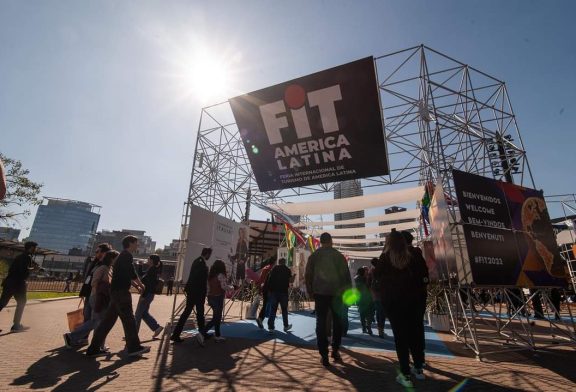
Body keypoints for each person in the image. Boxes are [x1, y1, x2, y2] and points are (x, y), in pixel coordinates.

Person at [375, 230, 428, 388]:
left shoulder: (385, 257)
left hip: (394, 304)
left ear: (389, 242)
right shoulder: (415, 254)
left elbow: (377, 276)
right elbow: (424, 276)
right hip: (415, 302)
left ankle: (405, 374)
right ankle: (418, 369)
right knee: (415, 333)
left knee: (400, 338)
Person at [86, 235, 150, 358]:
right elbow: (131, 272)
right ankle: (134, 347)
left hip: (116, 292)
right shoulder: (127, 255)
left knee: (107, 322)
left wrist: (137, 286)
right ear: (130, 243)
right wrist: (141, 285)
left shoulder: (122, 256)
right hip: (121, 293)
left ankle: (93, 349)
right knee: (129, 320)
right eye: (136, 243)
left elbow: (126, 273)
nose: (138, 245)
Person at [305, 232, 352, 367]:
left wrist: (310, 291)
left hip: (320, 293)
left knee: (321, 322)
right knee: (337, 321)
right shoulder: (339, 256)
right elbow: (346, 276)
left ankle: (323, 354)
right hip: (337, 293)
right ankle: (335, 350)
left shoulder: (314, 256)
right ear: (331, 241)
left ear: (320, 242)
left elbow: (308, 274)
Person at [64, 250, 118, 348]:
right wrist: (103, 288)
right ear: (111, 258)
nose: (117, 260)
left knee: (98, 321)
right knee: (97, 321)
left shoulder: (109, 269)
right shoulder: (102, 268)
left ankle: (98, 345)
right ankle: (73, 336)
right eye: (116, 258)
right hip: (98, 297)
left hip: (103, 298)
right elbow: (94, 282)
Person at [171, 247, 212, 344]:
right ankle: (202, 334)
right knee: (199, 313)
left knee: (191, 313)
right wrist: (206, 271)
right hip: (197, 292)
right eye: (209, 255)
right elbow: (199, 279)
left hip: (193, 292)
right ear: (207, 254)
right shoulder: (201, 263)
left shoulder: (197, 261)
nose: (209, 257)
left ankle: (176, 335)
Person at [0, 241, 38, 333]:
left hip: (10, 283)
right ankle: (16, 325)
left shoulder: (21, 256)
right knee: (21, 302)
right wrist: (34, 269)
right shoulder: (27, 257)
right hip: (17, 284)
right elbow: (23, 271)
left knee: (2, 303)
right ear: (31, 248)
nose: (35, 250)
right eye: (34, 248)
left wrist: (33, 267)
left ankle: (16, 325)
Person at [79, 244, 112, 332]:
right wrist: (82, 293)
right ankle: (83, 338)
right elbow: (87, 278)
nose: (96, 253)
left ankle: (97, 342)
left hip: (97, 295)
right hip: (89, 293)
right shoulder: (94, 263)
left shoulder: (107, 266)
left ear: (104, 253)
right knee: (87, 317)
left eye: (98, 251)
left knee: (97, 319)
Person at [134, 255, 164, 338]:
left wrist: (143, 295)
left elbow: (149, 284)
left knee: (138, 314)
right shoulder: (152, 269)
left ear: (151, 260)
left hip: (147, 294)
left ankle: (133, 334)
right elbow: (141, 274)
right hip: (149, 294)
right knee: (144, 313)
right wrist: (140, 265)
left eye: (148, 259)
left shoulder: (152, 270)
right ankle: (156, 327)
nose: (147, 260)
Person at [203, 259, 232, 342]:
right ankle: (202, 332)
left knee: (217, 317)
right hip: (218, 298)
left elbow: (208, 288)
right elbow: (224, 287)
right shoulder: (221, 275)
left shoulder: (210, 275)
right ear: (222, 267)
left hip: (210, 298)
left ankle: (217, 335)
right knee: (216, 318)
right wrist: (232, 288)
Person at [266, 258, 293, 333]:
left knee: (273, 310)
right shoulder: (287, 270)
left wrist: (269, 291)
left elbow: (270, 280)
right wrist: (292, 277)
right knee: (284, 310)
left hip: (274, 292)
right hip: (283, 292)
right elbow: (291, 281)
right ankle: (286, 326)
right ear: (285, 262)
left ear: (279, 262)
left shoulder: (274, 269)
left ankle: (271, 327)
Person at [255, 256, 276, 329]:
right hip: (270, 289)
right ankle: (262, 319)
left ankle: (261, 319)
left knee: (265, 304)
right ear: (274, 262)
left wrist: (259, 289)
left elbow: (261, 279)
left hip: (264, 288)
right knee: (269, 305)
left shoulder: (265, 268)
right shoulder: (273, 269)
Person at [369, 258, 386, 338]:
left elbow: (369, 283)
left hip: (375, 294)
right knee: (382, 312)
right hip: (383, 294)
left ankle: (380, 328)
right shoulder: (383, 271)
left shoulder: (371, 271)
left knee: (378, 311)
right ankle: (381, 328)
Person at [354, 267, 373, 335]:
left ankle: (364, 328)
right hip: (367, 298)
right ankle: (369, 327)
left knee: (362, 314)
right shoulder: (365, 279)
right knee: (368, 314)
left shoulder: (356, 278)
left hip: (360, 299)